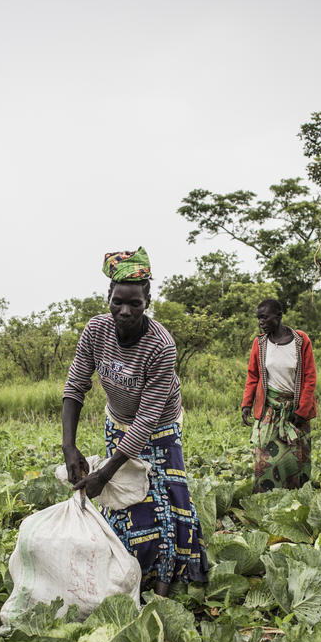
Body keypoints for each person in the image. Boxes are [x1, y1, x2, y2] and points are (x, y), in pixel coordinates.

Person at [62, 248, 209, 598]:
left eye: (135, 304)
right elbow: (75, 386)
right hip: (118, 421)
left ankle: (169, 578)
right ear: (108, 298)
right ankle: (132, 568)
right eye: (117, 303)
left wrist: (105, 471)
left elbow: (146, 420)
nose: (124, 312)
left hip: (160, 426)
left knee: (168, 501)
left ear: (148, 301)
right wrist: (69, 445)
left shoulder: (161, 346)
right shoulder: (96, 331)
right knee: (126, 499)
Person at [240, 299, 317, 492]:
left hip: (295, 410)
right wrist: (246, 405)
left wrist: (301, 411)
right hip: (269, 410)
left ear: (279, 315)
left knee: (296, 458)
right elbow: (253, 375)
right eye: (259, 319)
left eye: (265, 317)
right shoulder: (260, 343)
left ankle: (295, 499)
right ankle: (266, 499)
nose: (261, 322)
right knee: (265, 459)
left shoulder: (300, 341)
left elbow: (310, 377)